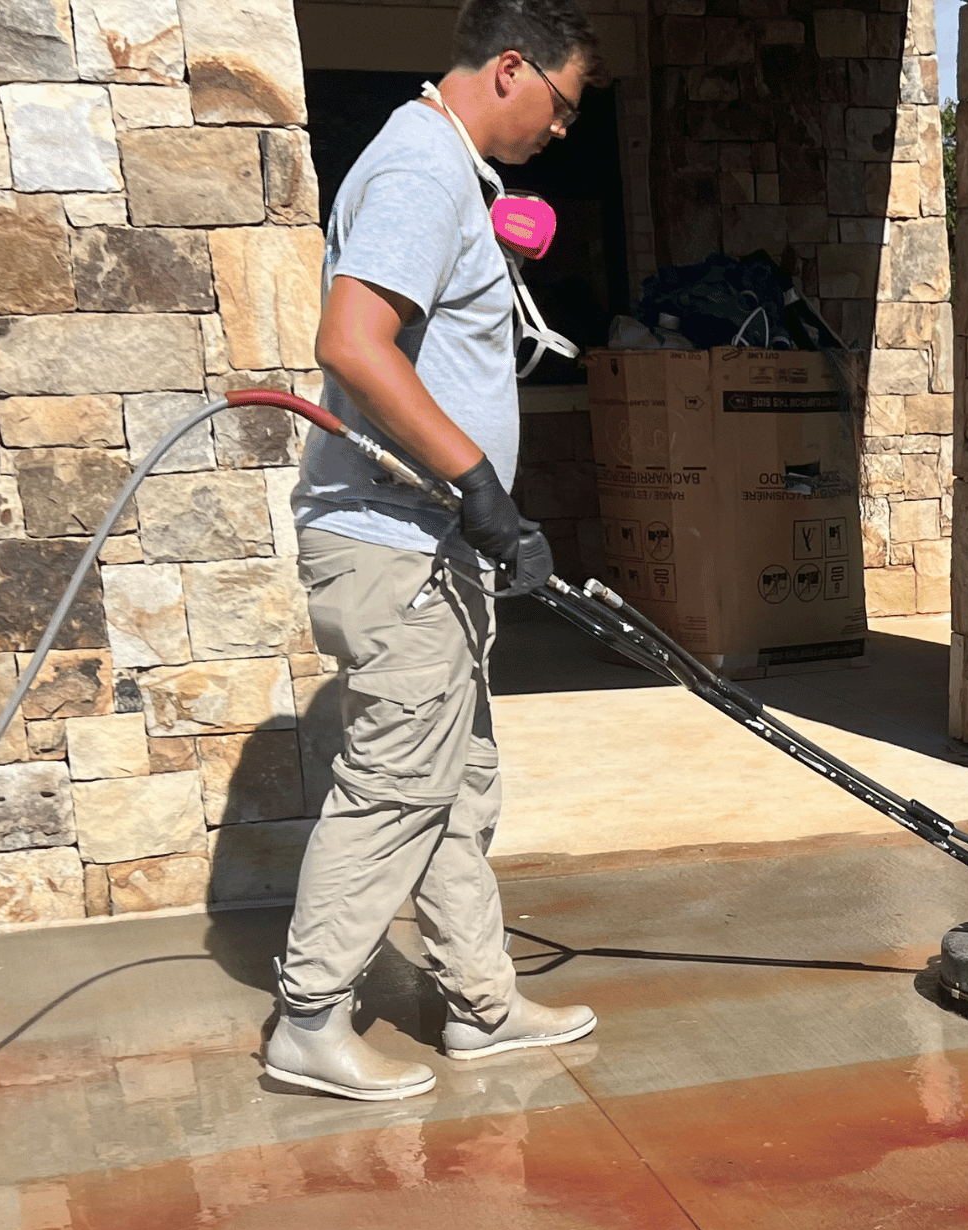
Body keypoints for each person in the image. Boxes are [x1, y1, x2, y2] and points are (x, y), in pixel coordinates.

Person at [264, 0, 605, 1101]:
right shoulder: (420, 169)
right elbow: (350, 342)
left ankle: (482, 1006)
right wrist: (479, 489)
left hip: (431, 546)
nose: (561, 131)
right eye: (561, 106)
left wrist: (473, 512)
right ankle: (308, 1021)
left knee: (456, 782)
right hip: (391, 539)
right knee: (395, 788)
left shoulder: (450, 172)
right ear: (510, 70)